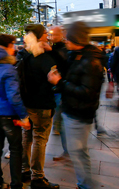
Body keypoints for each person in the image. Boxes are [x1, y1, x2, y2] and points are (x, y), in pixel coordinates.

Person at [48, 21, 104, 189]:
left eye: (68, 38)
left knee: (77, 153)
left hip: (79, 114)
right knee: (79, 152)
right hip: (72, 109)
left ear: (76, 40)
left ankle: (86, 185)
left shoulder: (90, 61)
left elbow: (87, 92)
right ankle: (85, 183)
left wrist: (60, 82)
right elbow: (66, 65)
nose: (65, 41)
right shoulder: (77, 55)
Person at [0, 34, 31, 189]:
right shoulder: (9, 69)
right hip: (9, 114)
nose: (15, 48)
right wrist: (24, 116)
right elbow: (14, 96)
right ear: (7, 47)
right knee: (16, 148)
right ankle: (16, 183)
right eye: (13, 45)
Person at [17, 25, 59, 189]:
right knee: (40, 139)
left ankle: (24, 170)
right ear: (40, 36)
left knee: (27, 138)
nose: (48, 34)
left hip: (27, 103)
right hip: (42, 104)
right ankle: (37, 177)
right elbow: (56, 76)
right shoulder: (44, 57)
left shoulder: (24, 55)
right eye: (45, 33)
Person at [48, 26, 69, 161]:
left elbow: (63, 63)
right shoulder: (55, 48)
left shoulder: (63, 49)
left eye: (55, 35)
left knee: (62, 122)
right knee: (60, 120)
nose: (52, 37)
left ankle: (68, 152)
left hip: (61, 89)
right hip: (55, 89)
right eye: (51, 35)